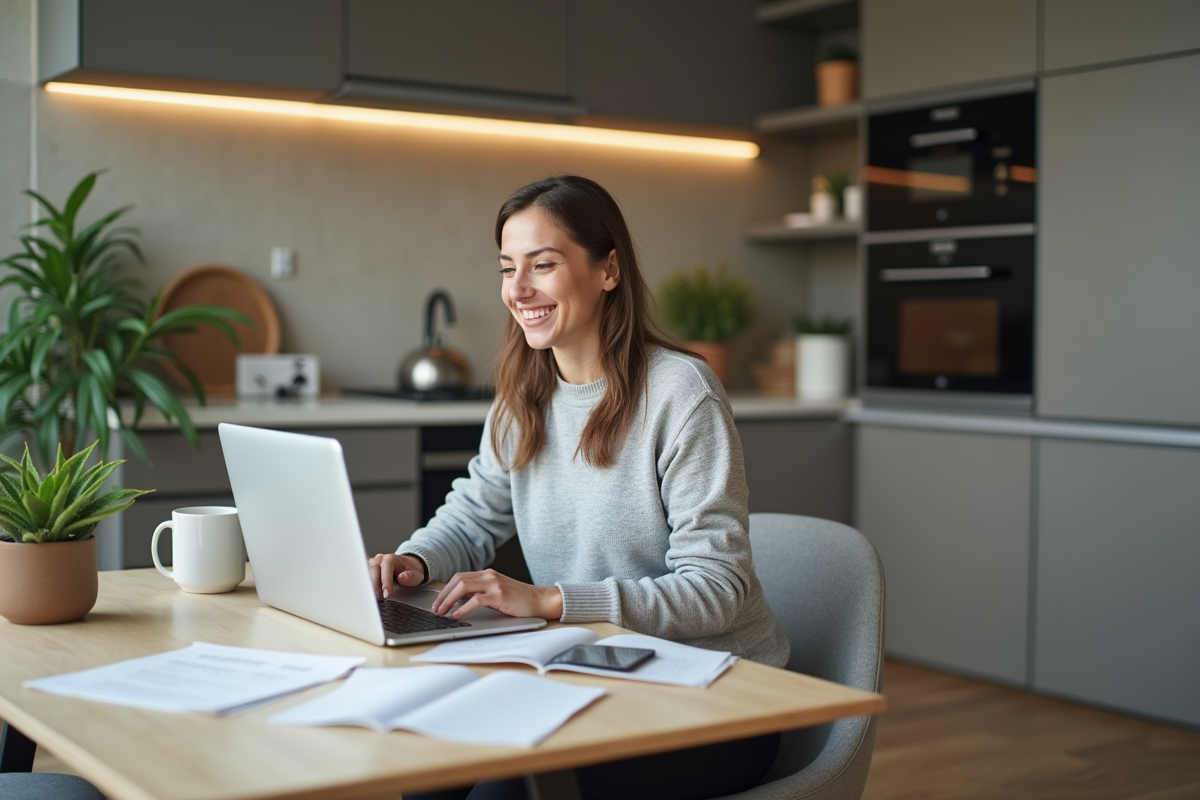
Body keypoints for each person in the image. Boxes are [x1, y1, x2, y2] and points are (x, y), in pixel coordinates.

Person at [369, 175, 789, 800]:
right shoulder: (522, 393)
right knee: (430, 765)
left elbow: (716, 590)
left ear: (608, 269)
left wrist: (550, 602)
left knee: (510, 787)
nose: (519, 289)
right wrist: (415, 559)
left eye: (543, 265)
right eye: (508, 268)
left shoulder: (681, 393)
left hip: (719, 693)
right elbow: (475, 515)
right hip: (591, 668)